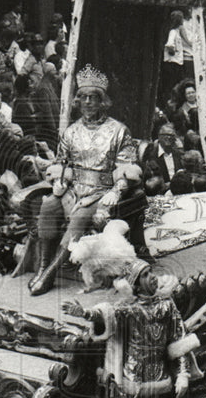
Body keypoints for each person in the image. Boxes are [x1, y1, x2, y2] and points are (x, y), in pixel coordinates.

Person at [29, 65, 136, 296]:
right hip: (72, 189)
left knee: (78, 218)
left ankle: (50, 274)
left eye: (93, 98)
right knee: (47, 206)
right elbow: (61, 162)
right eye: (83, 98)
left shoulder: (118, 131)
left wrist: (116, 191)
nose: (88, 102)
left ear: (102, 101)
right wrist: (59, 181)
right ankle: (41, 267)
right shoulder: (71, 131)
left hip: (101, 191)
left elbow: (126, 168)